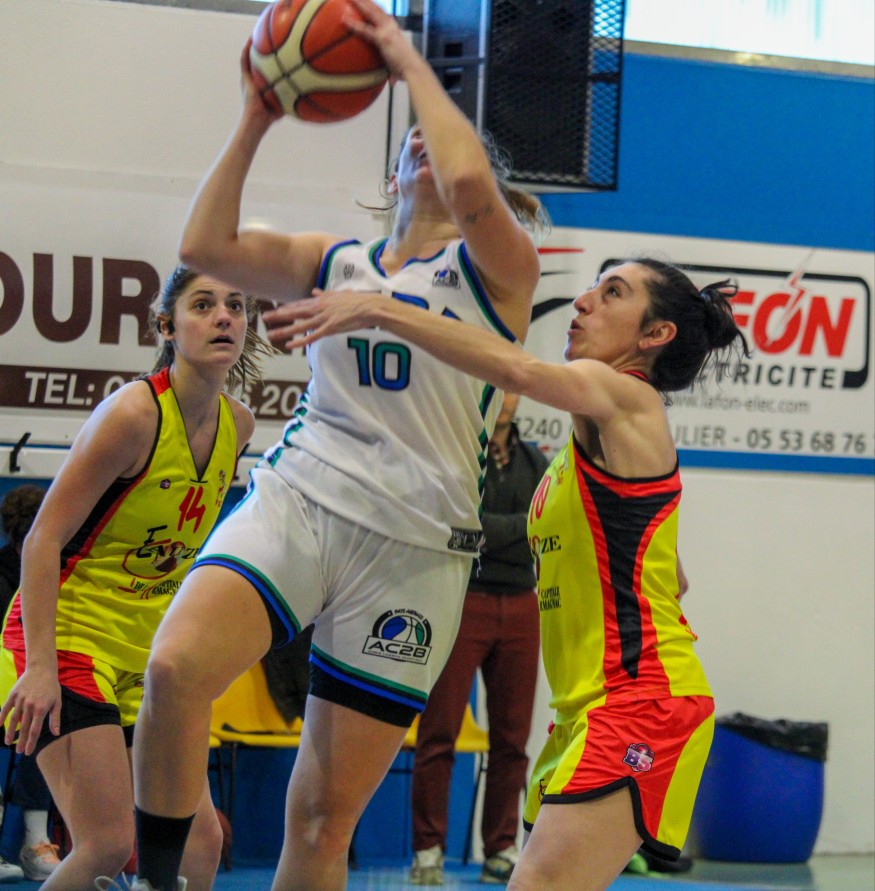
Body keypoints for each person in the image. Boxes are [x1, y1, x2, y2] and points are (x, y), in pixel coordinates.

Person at [121, 0, 545, 888]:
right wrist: (255, 115)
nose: (425, 142)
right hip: (304, 501)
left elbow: (471, 186)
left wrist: (407, 59)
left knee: (319, 821)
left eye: (442, 136)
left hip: (416, 548)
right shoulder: (335, 259)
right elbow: (204, 244)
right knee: (174, 667)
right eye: (412, 137)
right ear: (390, 175)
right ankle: (154, 879)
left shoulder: (498, 271)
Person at [270, 257, 750, 890]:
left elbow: (516, 369)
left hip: (640, 704)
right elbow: (671, 576)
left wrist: (380, 308)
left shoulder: (628, 396)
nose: (582, 301)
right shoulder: (590, 447)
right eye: (592, 287)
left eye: (612, 293)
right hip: (586, 709)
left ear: (654, 335)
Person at [0, 265, 272, 891]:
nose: (224, 316)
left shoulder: (238, 425)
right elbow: (42, 539)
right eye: (203, 305)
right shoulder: (132, 414)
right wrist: (40, 667)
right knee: (106, 843)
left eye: (235, 305)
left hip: (148, 653)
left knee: (201, 841)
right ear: (166, 326)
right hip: (69, 639)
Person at [409, 392, 547, 886]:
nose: (505, 396)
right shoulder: (457, 453)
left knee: (513, 739)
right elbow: (462, 529)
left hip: (523, 604)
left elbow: (542, 528)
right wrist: (517, 530)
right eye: (495, 384)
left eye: (512, 385)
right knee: (439, 732)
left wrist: (495, 532)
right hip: (463, 599)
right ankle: (428, 850)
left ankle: (501, 848)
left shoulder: (537, 461)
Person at [0, 483, 60, 884]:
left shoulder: (61, 571)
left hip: (38, 688)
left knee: (49, 722)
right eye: (25, 541)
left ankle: (36, 842)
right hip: (4, 685)